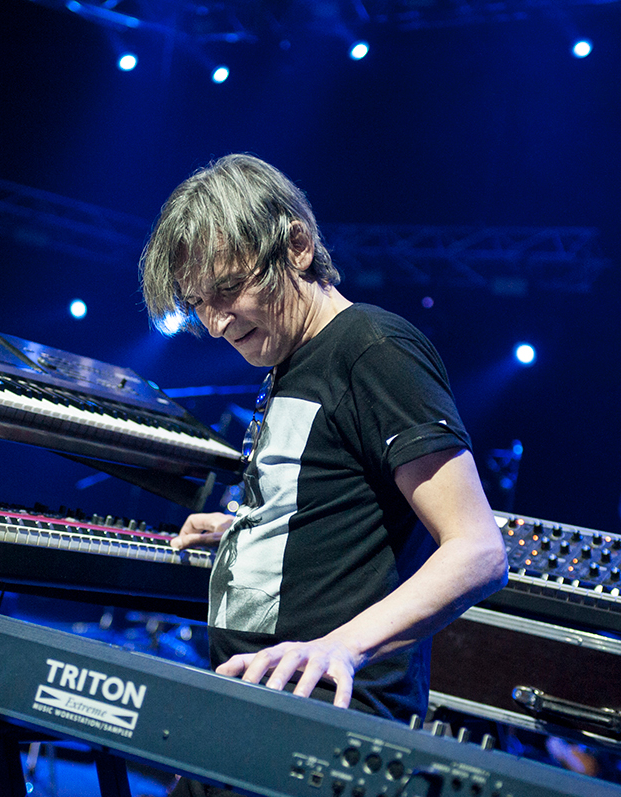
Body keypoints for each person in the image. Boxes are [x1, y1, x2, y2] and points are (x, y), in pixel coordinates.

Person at [139, 154, 508, 737]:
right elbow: (345, 503)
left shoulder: (373, 348)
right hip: (255, 698)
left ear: (298, 246)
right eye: (197, 303)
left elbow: (479, 551)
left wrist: (340, 649)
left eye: (228, 288)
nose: (214, 323)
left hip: (328, 715)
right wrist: (257, 527)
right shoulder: (289, 359)